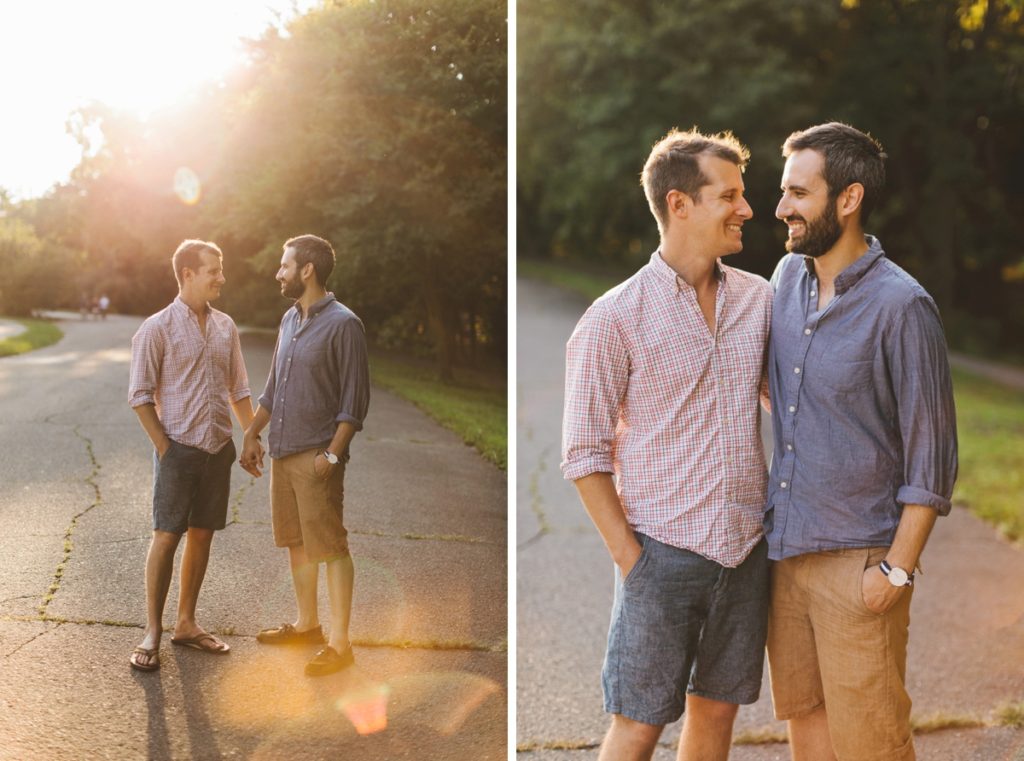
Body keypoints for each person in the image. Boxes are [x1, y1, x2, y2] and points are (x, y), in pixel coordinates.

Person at [560, 129, 773, 761]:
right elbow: (583, 454)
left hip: (745, 553)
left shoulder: (761, 300)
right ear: (679, 204)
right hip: (661, 554)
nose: (747, 209)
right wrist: (633, 561)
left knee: (715, 716)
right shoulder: (613, 316)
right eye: (729, 196)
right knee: (638, 726)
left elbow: (789, 400)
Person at [765, 122, 958, 761]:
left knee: (872, 744)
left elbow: (932, 458)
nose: (781, 207)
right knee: (807, 725)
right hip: (786, 557)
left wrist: (894, 572)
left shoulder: (903, 307)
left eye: (798, 192)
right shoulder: (785, 281)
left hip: (860, 565)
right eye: (782, 191)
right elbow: (781, 393)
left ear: (847, 200)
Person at [240, 234, 370, 677]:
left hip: (317, 457)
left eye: (285, 265)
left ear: (307, 269)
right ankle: (307, 624)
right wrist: (252, 434)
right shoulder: (288, 320)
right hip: (282, 451)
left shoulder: (344, 325)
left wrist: (331, 458)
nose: (279, 273)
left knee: (330, 548)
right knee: (296, 544)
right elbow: (273, 389)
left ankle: (340, 644)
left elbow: (354, 404)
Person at [127, 239, 259, 672]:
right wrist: (165, 449)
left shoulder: (226, 327)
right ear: (188, 273)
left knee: (202, 534)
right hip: (178, 449)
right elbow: (140, 397)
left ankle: (186, 624)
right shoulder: (156, 328)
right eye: (213, 270)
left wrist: (252, 436)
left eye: (220, 269)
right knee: (166, 536)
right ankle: (152, 631)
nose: (221, 277)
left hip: (218, 449)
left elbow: (239, 389)